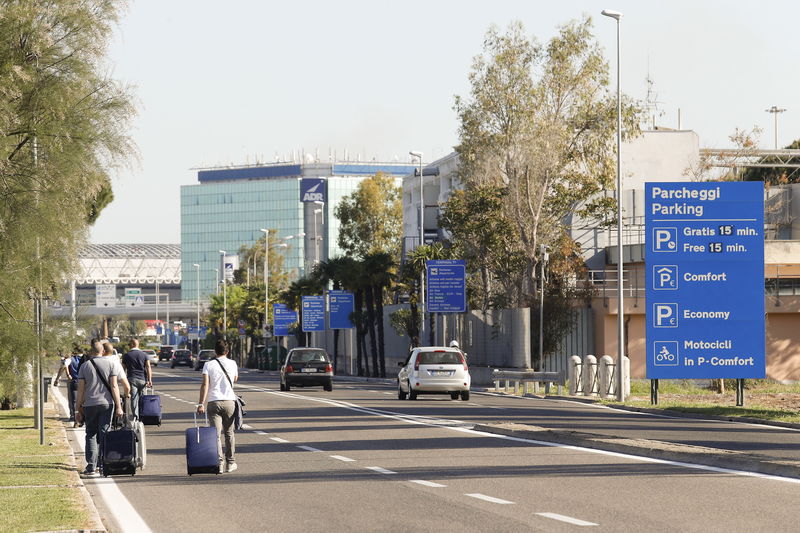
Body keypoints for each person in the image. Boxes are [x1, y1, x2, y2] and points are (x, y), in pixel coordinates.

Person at [75, 340, 123, 477]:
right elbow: (114, 386)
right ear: (103, 351)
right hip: (107, 404)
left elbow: (81, 391)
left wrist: (78, 409)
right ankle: (104, 465)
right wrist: (119, 407)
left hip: (90, 404)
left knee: (91, 434)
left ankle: (91, 467)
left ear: (91, 352)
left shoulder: (84, 366)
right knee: (105, 434)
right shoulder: (112, 364)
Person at [196, 339, 239, 473]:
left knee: (215, 435)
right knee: (229, 433)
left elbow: (205, 385)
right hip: (229, 402)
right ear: (227, 351)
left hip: (213, 402)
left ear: (215, 351)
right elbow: (235, 379)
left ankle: (218, 463)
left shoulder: (208, 365)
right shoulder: (233, 363)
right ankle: (230, 463)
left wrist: (201, 403)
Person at [121, 338, 152, 419]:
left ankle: (136, 416)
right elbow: (148, 367)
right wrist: (149, 380)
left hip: (131, 379)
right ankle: (143, 414)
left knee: (133, 399)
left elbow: (123, 369)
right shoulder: (144, 355)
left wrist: (123, 381)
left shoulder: (126, 355)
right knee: (143, 398)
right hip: (143, 379)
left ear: (131, 345)